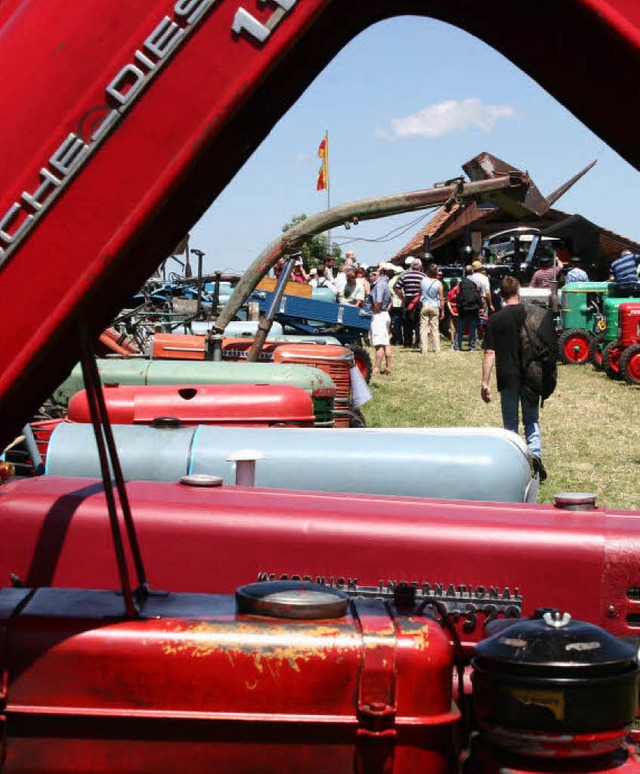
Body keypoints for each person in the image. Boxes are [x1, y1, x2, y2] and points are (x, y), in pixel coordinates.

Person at [480, 276, 546, 480]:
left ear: (500, 294)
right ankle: (534, 453)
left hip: (507, 375)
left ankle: (517, 461)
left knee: (510, 424)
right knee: (531, 420)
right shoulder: (532, 314)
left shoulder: (495, 319)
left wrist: (484, 382)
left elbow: (490, 353)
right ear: (519, 292)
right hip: (531, 374)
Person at [394, 257, 425, 348]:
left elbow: (396, 287)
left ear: (412, 266)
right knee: (419, 322)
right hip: (418, 301)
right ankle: (418, 342)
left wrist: (402, 298)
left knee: (407, 322)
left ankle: (408, 342)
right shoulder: (423, 276)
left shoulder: (405, 276)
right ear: (420, 266)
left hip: (408, 300)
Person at [369, 264, 393, 375]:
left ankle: (376, 368)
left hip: (379, 315)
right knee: (386, 343)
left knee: (379, 344)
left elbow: (378, 301)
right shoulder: (385, 283)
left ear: (375, 275)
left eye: (370, 276)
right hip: (386, 314)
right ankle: (388, 367)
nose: (369, 278)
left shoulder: (378, 285)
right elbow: (390, 300)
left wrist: (375, 311)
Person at [419, 263, 444, 354]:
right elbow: (441, 298)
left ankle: (424, 349)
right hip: (434, 306)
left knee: (423, 328)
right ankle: (437, 348)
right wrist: (443, 310)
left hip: (425, 305)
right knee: (435, 328)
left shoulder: (423, 281)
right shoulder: (438, 283)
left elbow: (420, 293)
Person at [456, 265, 482, 351]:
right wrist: (480, 306)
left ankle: (457, 346)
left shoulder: (461, 282)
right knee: (473, 328)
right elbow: (478, 295)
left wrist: (458, 305)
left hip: (463, 307)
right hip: (474, 307)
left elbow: (458, 295)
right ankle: (472, 346)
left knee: (460, 328)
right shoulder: (477, 282)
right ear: (472, 272)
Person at [388, 265, 405, 345]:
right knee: (402, 323)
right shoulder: (401, 280)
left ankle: (397, 340)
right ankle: (402, 339)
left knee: (395, 323)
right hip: (401, 302)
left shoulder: (390, 281)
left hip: (393, 304)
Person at [445, 278, 460, 350]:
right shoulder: (460, 292)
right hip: (459, 312)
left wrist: (451, 311)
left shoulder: (450, 293)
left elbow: (448, 303)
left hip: (453, 312)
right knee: (459, 328)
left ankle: (452, 343)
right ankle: (458, 343)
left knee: (452, 329)